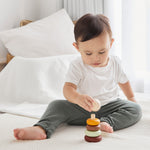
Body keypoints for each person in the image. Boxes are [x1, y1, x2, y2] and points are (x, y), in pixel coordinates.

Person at [13, 13, 142, 140]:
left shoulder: (115, 62)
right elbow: (68, 89)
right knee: (56, 105)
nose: (96, 58)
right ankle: (42, 128)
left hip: (110, 107)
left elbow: (124, 82)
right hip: (82, 109)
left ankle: (106, 123)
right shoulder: (77, 65)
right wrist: (78, 98)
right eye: (88, 53)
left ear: (111, 44)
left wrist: (131, 97)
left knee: (135, 109)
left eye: (102, 52)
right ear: (77, 47)